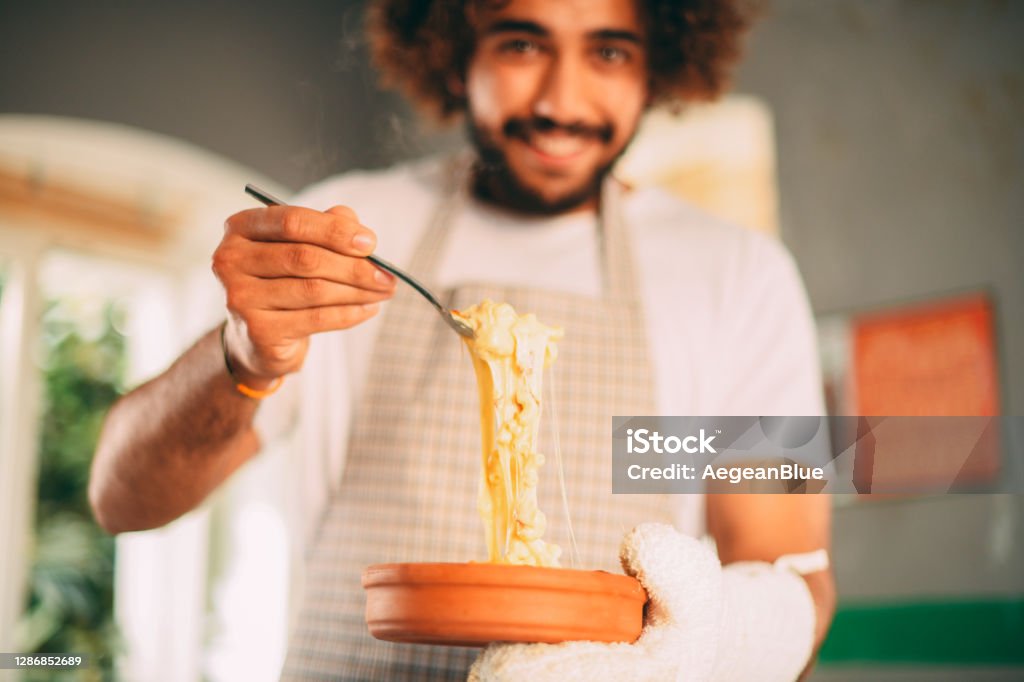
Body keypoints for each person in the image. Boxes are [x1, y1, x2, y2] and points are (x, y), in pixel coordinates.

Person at [89, 0, 836, 679]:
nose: (561, 101)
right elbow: (119, 500)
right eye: (521, 44)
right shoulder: (346, 231)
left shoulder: (742, 276)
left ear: (662, 62)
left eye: (609, 52)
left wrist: (687, 658)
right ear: (454, 49)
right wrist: (241, 359)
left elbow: (795, 578)